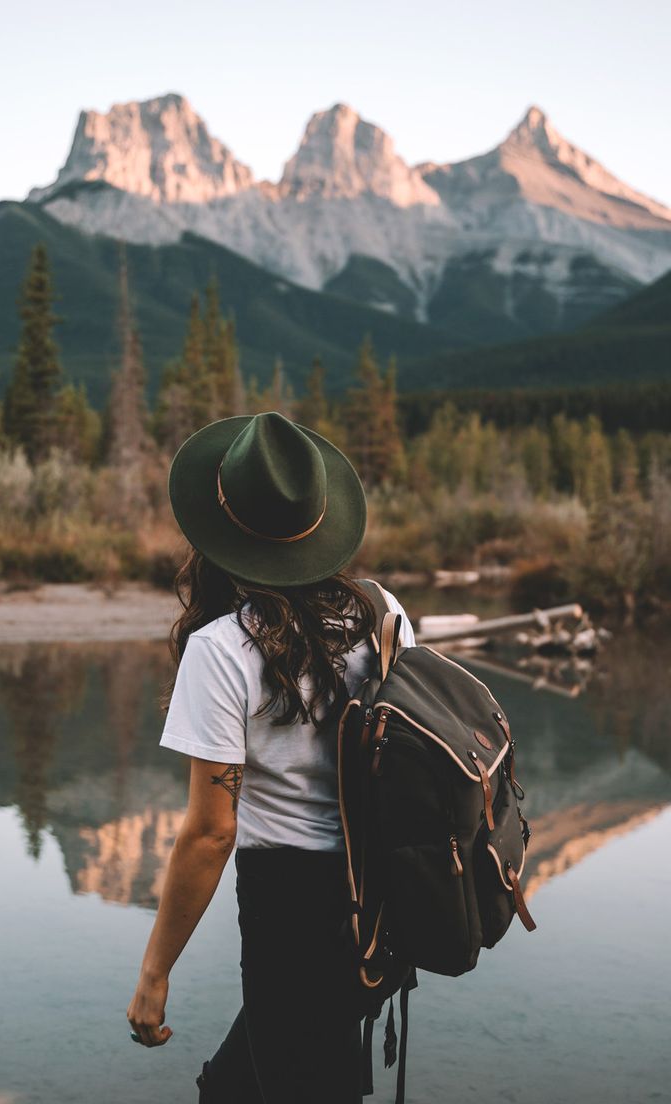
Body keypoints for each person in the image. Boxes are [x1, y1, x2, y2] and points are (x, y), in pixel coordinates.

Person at [126, 410, 415, 1103]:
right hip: (379, 900)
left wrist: (155, 973)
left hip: (289, 908)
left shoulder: (223, 650)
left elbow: (210, 832)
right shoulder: (382, 612)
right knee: (242, 1088)